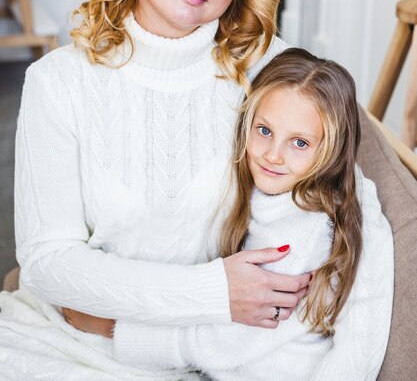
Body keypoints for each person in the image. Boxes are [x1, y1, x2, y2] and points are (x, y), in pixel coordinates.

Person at [0, 0, 392, 380]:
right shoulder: (57, 82)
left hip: (215, 350)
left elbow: (362, 217)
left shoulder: (267, 68)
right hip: (75, 339)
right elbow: (49, 265)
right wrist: (215, 293)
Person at [65, 48, 393, 381]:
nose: (273, 155)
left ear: (331, 150)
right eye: (264, 131)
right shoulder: (278, 195)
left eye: (299, 143)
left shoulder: (301, 230)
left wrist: (114, 328)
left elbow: (225, 340)